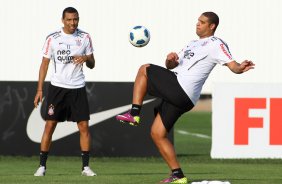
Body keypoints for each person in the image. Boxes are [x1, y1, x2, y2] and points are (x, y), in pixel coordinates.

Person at [116, 12, 255, 183]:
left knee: (145, 69)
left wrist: (240, 67)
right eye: (198, 21)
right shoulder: (192, 44)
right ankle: (178, 176)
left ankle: (134, 113)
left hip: (181, 88)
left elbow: (232, 65)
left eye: (202, 22)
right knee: (157, 133)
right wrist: (170, 60)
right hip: (182, 96)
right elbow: (172, 66)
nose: (198, 24)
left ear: (212, 26)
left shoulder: (216, 43)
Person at [33, 7, 96, 177]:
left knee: (83, 126)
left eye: (75, 19)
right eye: (69, 20)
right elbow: (44, 64)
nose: (72, 23)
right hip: (57, 88)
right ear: (62, 20)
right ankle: (42, 166)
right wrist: (39, 89)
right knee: (50, 125)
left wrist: (86, 58)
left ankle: (85, 168)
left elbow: (92, 64)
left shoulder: (85, 37)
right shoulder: (52, 39)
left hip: (78, 87)